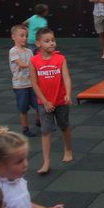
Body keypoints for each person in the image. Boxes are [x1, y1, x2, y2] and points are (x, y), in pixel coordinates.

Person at [28, 29, 73, 175]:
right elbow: (34, 84)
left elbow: (66, 78)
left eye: (53, 40)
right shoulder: (33, 61)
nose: (51, 43)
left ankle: (68, 149)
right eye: (47, 41)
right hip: (44, 104)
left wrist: (68, 94)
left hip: (61, 101)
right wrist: (44, 101)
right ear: (38, 43)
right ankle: (46, 161)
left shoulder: (60, 59)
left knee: (64, 126)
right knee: (45, 131)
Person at [8, 25, 41, 137]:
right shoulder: (13, 51)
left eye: (26, 36)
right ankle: (25, 129)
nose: (24, 38)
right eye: (21, 36)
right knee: (23, 108)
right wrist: (35, 65)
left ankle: (39, 121)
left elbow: (33, 66)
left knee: (38, 104)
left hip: (31, 84)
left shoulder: (29, 51)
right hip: (20, 85)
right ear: (13, 37)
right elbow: (21, 64)